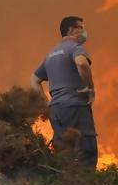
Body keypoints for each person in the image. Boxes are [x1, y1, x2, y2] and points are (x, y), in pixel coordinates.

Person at [30, 16, 98, 169]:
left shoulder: (50, 55)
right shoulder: (74, 48)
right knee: (86, 150)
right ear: (72, 30)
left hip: (56, 110)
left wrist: (46, 104)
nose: (84, 31)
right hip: (76, 106)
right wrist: (90, 89)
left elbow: (33, 79)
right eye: (82, 27)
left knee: (64, 152)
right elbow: (81, 63)